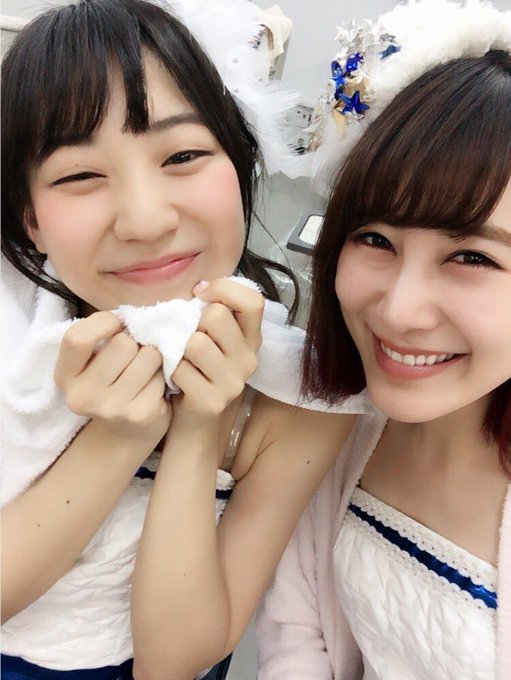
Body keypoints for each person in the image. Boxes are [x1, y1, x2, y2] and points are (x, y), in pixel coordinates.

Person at [0, 1, 366, 678]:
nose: (144, 220)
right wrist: (118, 438)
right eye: (79, 176)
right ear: (31, 221)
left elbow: (173, 663)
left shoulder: (300, 394)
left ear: (240, 165)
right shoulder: (13, 334)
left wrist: (200, 429)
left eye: (184, 155)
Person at [256, 0, 511, 678]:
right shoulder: (344, 427)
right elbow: (295, 633)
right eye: (374, 238)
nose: (398, 312)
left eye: (472, 256)